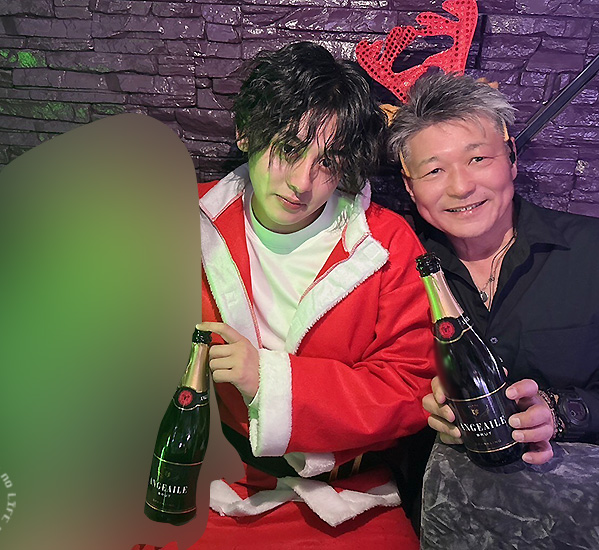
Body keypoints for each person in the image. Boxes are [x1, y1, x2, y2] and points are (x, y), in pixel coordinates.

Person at [191, 42, 436, 548]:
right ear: (247, 132)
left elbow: (412, 384)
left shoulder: (385, 244)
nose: (302, 183)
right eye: (289, 148)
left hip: (350, 497)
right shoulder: (181, 219)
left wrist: (269, 380)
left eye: (327, 162)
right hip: (213, 481)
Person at [388, 71, 599, 466]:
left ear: (512, 159)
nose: (460, 187)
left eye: (477, 159)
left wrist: (561, 411)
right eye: (434, 170)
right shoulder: (395, 270)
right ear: (410, 186)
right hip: (449, 495)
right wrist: (425, 410)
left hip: (593, 490)